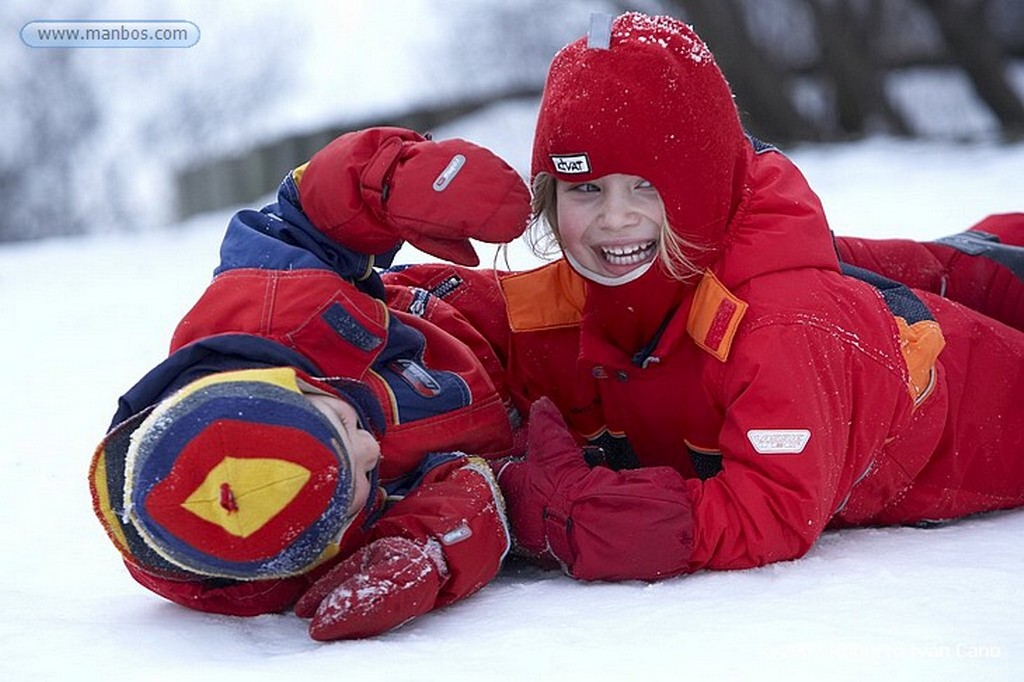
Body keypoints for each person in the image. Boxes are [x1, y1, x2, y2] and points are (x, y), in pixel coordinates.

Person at [388, 12, 1024, 582]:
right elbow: (481, 315)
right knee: (900, 269)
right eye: (586, 190)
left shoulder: (782, 324)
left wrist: (579, 520)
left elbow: (769, 510)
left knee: (937, 288)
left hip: (977, 403)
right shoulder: (588, 283)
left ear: (700, 185)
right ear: (552, 198)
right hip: (853, 306)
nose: (615, 219)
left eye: (645, 185)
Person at [89, 126, 531, 640]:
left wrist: (390, 182)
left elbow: (305, 217)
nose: (371, 448)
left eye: (343, 422)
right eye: (361, 481)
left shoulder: (268, 310)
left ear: (290, 383)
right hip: (544, 442)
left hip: (466, 315)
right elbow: (469, 493)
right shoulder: (284, 542)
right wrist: (427, 547)